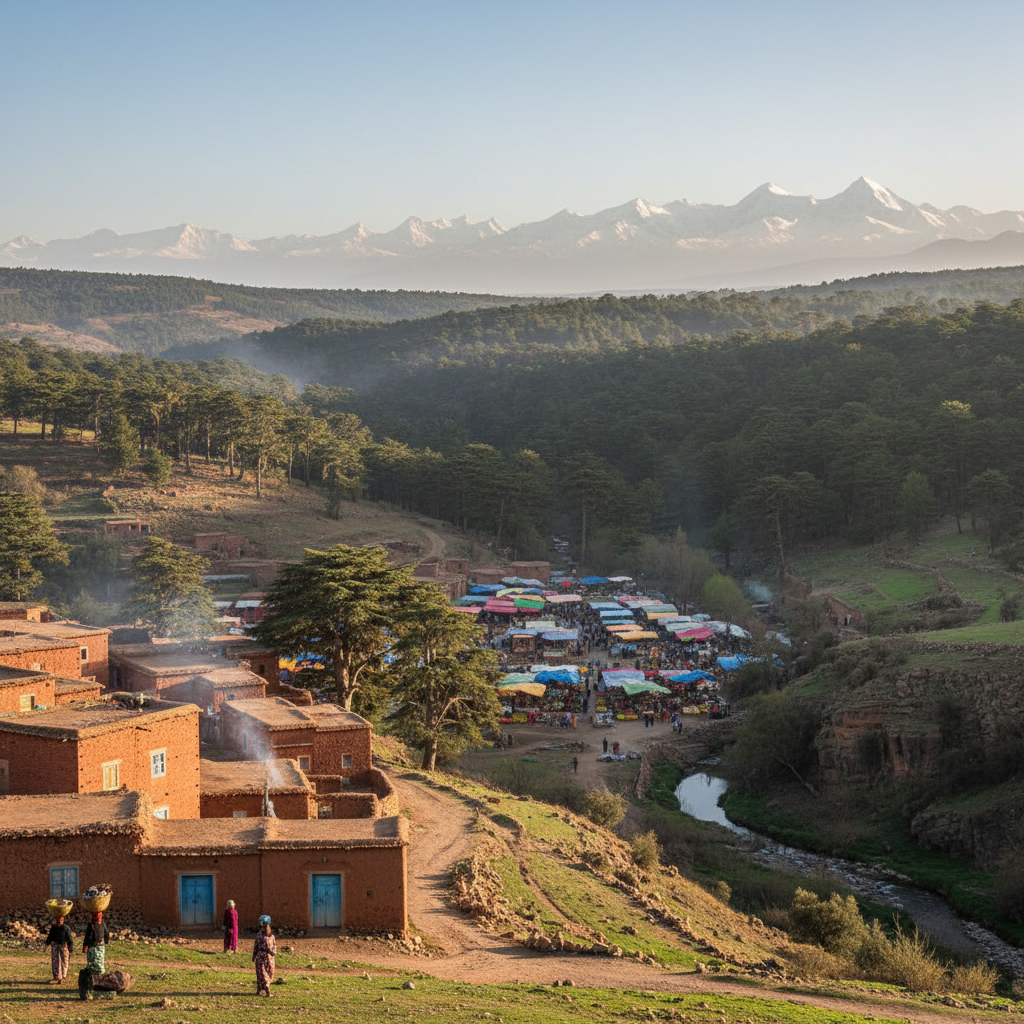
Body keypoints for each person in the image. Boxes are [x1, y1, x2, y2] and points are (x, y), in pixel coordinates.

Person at [45, 915, 74, 984]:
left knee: (64, 960)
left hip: (63, 945)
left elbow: (69, 938)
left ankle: (63, 976)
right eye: (58, 920)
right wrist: (47, 942)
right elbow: (50, 936)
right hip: (55, 945)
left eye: (61, 920)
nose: (59, 922)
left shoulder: (65, 928)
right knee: (56, 960)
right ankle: (57, 977)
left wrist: (70, 947)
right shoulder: (54, 928)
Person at [253, 915, 276, 996]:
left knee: (261, 974)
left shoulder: (260, 935)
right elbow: (273, 948)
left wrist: (254, 955)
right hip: (266, 957)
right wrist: (272, 953)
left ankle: (259, 990)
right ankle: (267, 992)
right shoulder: (269, 936)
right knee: (264, 974)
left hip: (263, 957)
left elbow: (256, 946)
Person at [82, 912, 108, 977]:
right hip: (98, 946)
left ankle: (95, 977)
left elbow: (88, 936)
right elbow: (106, 934)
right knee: (97, 962)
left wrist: (85, 945)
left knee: (95, 962)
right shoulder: (100, 924)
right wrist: (106, 941)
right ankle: (96, 977)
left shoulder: (94, 924)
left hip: (95, 946)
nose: (97, 917)